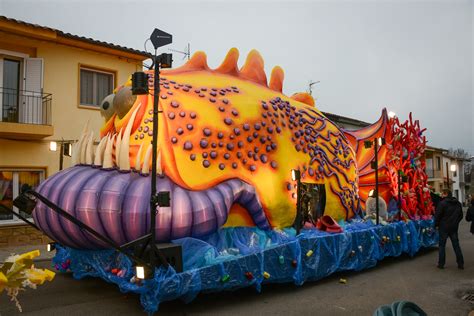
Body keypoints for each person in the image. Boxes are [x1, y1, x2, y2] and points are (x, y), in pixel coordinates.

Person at [434, 189, 464, 269]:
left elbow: (438, 215)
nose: (441, 195)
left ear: (446, 194)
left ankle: (441, 263)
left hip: (443, 227)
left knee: (442, 246)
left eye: (442, 194)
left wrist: (436, 224)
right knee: (456, 245)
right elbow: (461, 216)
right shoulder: (458, 203)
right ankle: (460, 263)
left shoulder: (442, 203)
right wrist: (456, 222)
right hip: (454, 227)